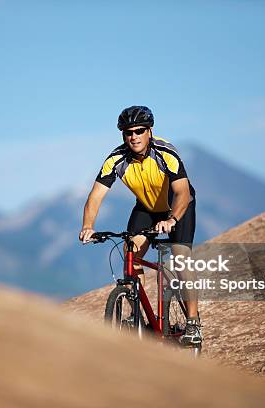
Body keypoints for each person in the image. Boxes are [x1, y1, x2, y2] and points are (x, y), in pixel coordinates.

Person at [79, 105, 201, 345]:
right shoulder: (116, 159)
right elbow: (95, 196)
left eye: (139, 130)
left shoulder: (166, 153)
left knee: (180, 257)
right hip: (147, 208)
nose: (133, 136)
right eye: (128, 132)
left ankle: (193, 323)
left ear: (149, 131)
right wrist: (88, 226)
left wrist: (172, 220)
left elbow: (183, 192)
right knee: (131, 251)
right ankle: (136, 314)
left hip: (177, 207)